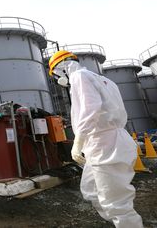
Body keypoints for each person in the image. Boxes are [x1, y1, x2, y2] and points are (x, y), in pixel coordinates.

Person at [48, 50, 143, 228]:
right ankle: (118, 222)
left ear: (61, 69)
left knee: (116, 202)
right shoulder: (106, 80)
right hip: (109, 139)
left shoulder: (78, 77)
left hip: (104, 143)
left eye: (55, 75)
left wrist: (78, 141)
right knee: (90, 190)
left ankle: (125, 222)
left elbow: (90, 109)